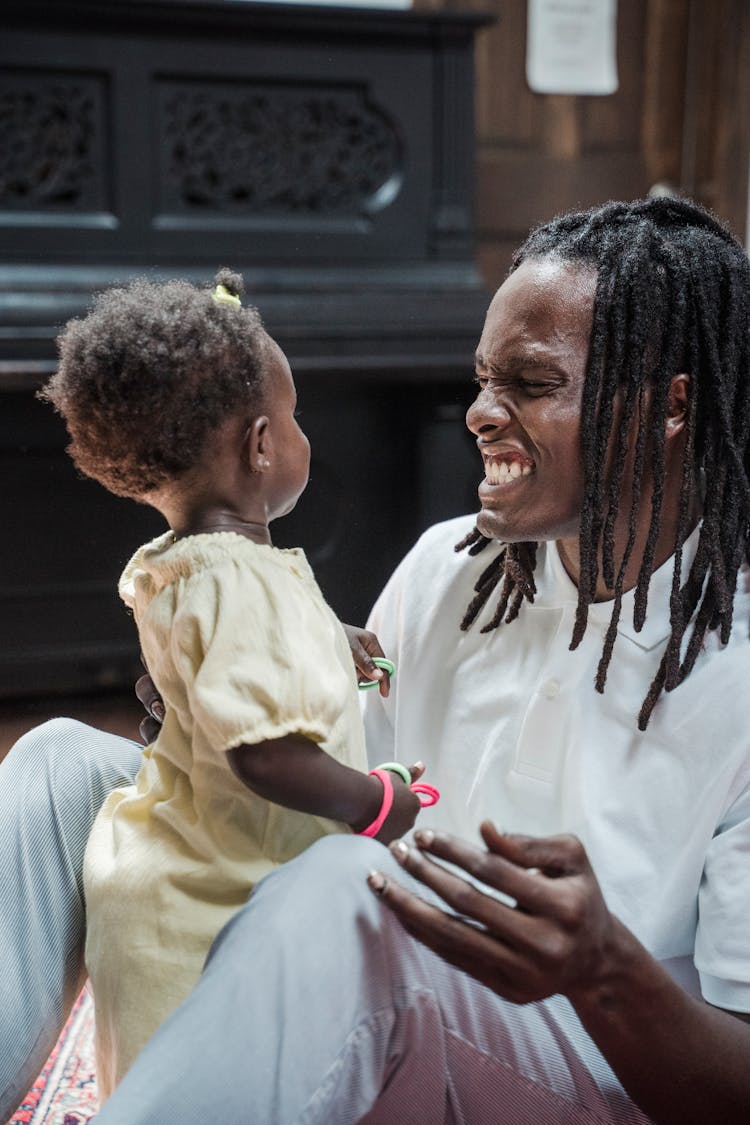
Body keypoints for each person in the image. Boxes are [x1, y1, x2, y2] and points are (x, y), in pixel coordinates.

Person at [2, 195, 750, 1124]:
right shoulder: (451, 567)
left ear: (672, 404)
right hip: (387, 974)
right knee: (62, 764)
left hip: (582, 1065)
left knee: (341, 892)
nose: (482, 412)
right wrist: (209, 719)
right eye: (483, 378)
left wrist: (606, 970)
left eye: (530, 380)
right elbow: (326, 777)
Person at [35, 269, 423, 1100]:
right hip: (214, 903)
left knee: (148, 1079)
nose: (300, 435)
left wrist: (330, 639)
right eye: (295, 418)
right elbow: (267, 757)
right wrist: (377, 801)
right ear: (259, 445)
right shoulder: (238, 580)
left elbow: (229, 658)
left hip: (162, 878)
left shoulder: (188, 565)